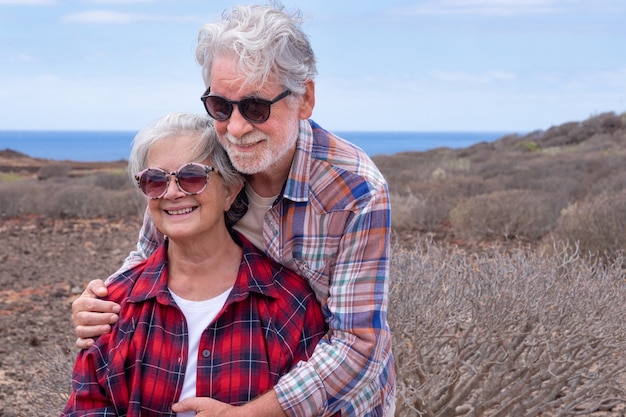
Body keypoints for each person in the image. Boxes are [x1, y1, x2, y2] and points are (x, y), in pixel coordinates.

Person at [72, 3, 396, 417]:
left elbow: (357, 344)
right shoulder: (202, 160)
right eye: (221, 107)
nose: (237, 128)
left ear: (305, 99)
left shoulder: (355, 191)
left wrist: (244, 415)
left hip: (334, 402)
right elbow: (151, 251)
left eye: (257, 107)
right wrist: (102, 301)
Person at [61, 112, 328, 416]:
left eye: (192, 176)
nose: (172, 193)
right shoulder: (113, 307)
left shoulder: (288, 304)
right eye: (154, 180)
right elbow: (87, 408)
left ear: (230, 189)